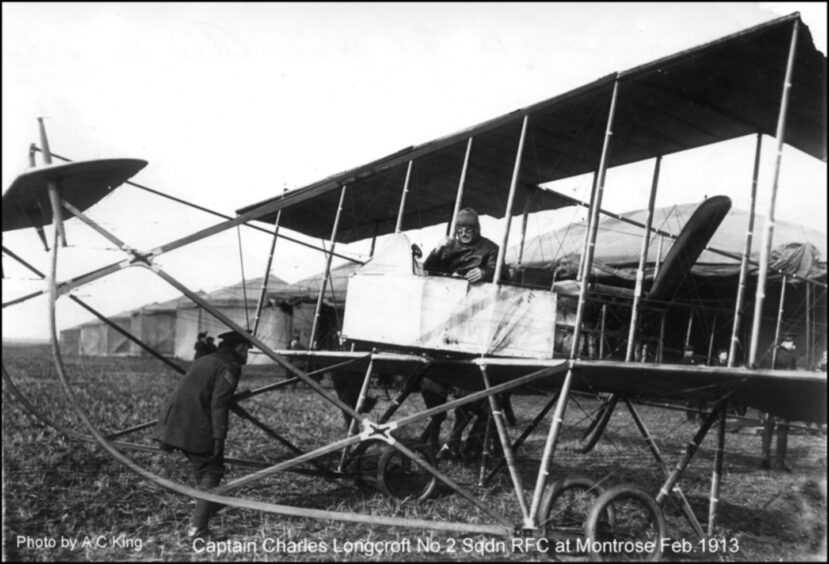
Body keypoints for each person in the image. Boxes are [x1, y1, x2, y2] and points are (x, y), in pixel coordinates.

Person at [156, 330, 253, 541]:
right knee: (212, 468)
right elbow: (218, 403)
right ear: (241, 348)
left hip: (174, 421)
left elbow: (207, 390)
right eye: (248, 351)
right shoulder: (230, 367)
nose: (248, 356)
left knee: (202, 466)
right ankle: (198, 529)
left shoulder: (207, 359)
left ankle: (210, 503)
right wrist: (219, 438)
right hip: (195, 423)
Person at [422, 207, 499, 283]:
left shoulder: (491, 248)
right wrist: (437, 250)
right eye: (460, 230)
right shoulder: (450, 246)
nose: (463, 234)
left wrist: (484, 273)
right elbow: (428, 268)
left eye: (468, 231)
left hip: (476, 291)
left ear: (476, 229)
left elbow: (502, 272)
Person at [761, 333, 797, 471]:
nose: (793, 346)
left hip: (769, 395)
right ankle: (779, 462)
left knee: (768, 425)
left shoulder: (769, 354)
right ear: (786, 343)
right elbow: (791, 378)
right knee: (782, 428)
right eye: (792, 343)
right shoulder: (789, 357)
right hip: (783, 396)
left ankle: (764, 456)